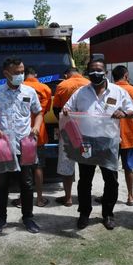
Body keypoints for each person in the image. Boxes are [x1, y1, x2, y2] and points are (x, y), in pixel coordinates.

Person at [63, 59, 133, 230]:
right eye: (92, 70)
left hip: (108, 142)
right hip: (86, 142)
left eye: (99, 70)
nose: (96, 73)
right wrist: (66, 111)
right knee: (85, 180)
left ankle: (108, 214)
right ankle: (84, 213)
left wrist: (123, 113)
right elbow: (67, 108)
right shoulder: (80, 92)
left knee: (111, 180)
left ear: (106, 72)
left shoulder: (118, 92)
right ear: (87, 73)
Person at [0, 57, 43, 234]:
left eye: (22, 71)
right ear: (6, 73)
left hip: (25, 144)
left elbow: (38, 113)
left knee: (26, 183)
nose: (20, 75)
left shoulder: (30, 92)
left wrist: (36, 127)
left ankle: (28, 218)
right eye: (16, 72)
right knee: (2, 184)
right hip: (4, 145)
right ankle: (1, 219)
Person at [96, 65, 133, 206]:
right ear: (126, 75)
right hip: (128, 136)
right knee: (128, 167)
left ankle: (107, 195)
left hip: (109, 137)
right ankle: (130, 196)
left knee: (109, 167)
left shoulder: (107, 91)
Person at [12, 66, 52, 208]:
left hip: (22, 135)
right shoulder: (45, 89)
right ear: (35, 74)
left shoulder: (20, 88)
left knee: (23, 168)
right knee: (38, 166)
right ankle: (40, 199)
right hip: (38, 133)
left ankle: (22, 200)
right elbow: (43, 111)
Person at [53, 67, 90, 207]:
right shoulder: (88, 84)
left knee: (66, 164)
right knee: (86, 165)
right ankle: (83, 196)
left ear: (66, 74)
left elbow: (57, 108)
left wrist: (63, 124)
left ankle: (68, 198)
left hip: (68, 132)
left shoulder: (63, 85)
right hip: (87, 131)